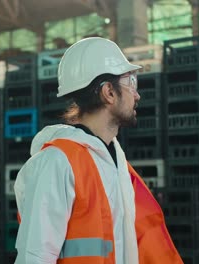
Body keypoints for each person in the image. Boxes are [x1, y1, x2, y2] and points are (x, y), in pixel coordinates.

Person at [14, 37, 182, 264]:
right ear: (109, 92)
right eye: (131, 83)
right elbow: (34, 257)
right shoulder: (57, 162)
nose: (137, 94)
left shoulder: (115, 160)